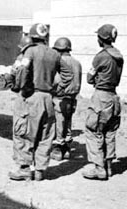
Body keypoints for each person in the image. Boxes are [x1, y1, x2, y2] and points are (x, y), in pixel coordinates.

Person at [9, 23, 61, 181]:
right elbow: (66, 76)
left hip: (31, 97)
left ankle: (24, 169)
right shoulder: (54, 54)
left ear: (31, 36)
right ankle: (40, 171)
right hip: (48, 98)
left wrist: (22, 88)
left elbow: (23, 70)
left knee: (24, 133)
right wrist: (55, 90)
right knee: (45, 136)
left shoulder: (29, 51)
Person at [82, 24, 124, 180]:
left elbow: (89, 78)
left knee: (94, 130)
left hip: (101, 97)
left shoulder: (101, 56)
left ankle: (98, 168)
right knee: (110, 132)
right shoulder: (119, 56)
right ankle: (108, 166)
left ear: (102, 38)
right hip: (114, 97)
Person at [50, 37, 82, 161]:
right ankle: (67, 149)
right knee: (68, 122)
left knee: (59, 123)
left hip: (60, 96)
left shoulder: (59, 61)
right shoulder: (77, 62)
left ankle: (58, 149)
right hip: (73, 98)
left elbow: (56, 80)